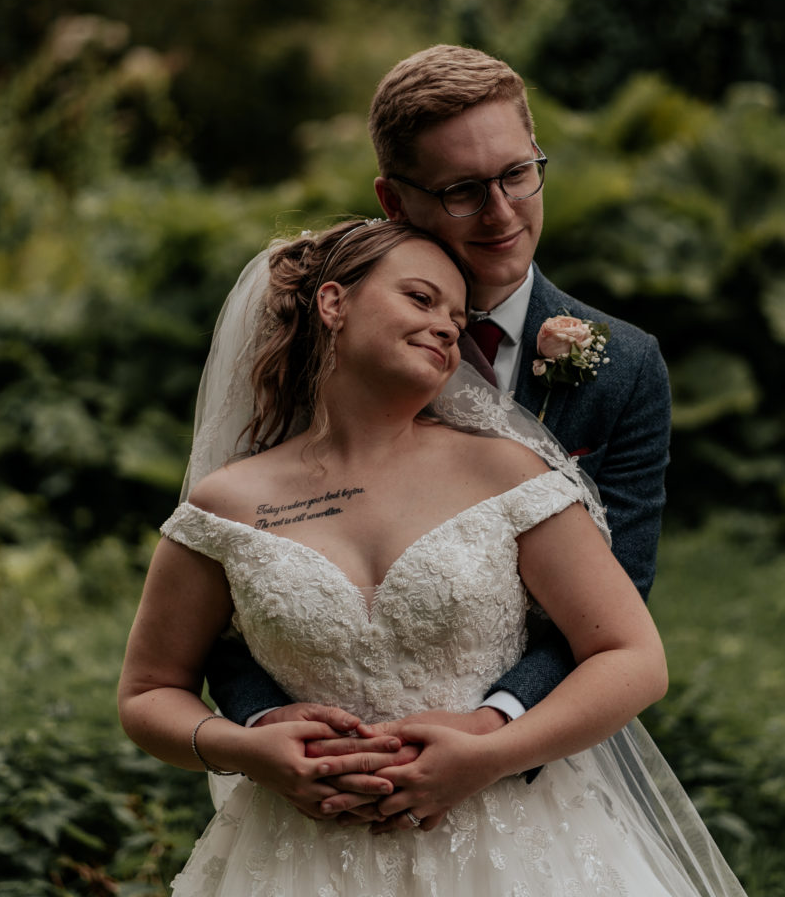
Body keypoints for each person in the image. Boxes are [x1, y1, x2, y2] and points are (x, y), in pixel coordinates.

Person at [118, 218, 744, 895]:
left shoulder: (505, 471)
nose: (448, 328)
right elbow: (149, 692)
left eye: (457, 316)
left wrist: (491, 754)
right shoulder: (228, 504)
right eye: (421, 300)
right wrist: (243, 747)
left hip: (513, 845)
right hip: (301, 858)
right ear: (334, 303)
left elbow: (634, 659)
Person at [204, 45, 673, 828]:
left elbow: (618, 603)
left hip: (530, 771)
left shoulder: (623, 366)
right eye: (461, 190)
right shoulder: (317, 347)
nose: (501, 212)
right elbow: (236, 572)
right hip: (325, 792)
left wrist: (494, 727)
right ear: (394, 199)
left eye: (518, 174)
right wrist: (263, 723)